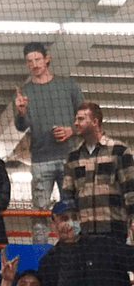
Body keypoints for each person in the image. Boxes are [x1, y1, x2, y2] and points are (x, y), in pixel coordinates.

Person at [13, 42, 84, 243]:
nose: (34, 64)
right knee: (39, 213)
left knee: (71, 208)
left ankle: (74, 247)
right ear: (26, 64)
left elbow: (84, 118)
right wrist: (20, 112)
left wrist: (71, 129)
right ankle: (40, 255)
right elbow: (21, 126)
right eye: (29, 61)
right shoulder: (23, 93)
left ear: (47, 58)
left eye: (37, 59)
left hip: (69, 157)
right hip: (40, 160)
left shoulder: (69, 86)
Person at [60, 101, 134, 240]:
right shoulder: (72, 157)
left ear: (95, 121)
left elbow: (131, 189)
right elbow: (67, 195)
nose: (75, 123)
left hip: (114, 231)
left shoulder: (119, 151)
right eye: (76, 119)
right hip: (84, 235)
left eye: (81, 119)